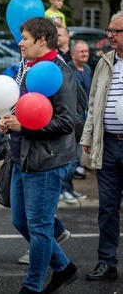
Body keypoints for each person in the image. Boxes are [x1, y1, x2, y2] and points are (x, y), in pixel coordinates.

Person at [0, 17, 79, 293]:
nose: (19, 43)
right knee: (21, 221)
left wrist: (25, 128)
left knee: (40, 227)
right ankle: (64, 268)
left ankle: (32, 287)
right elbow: (27, 110)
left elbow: (67, 122)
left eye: (25, 39)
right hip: (23, 158)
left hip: (46, 161)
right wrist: (9, 120)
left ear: (41, 40)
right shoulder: (29, 69)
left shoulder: (60, 72)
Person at [81, 11, 123, 282]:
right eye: (109, 30)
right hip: (107, 144)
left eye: (115, 32)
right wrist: (87, 137)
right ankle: (106, 262)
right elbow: (94, 103)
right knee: (107, 207)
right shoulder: (105, 62)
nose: (109, 35)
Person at [60, 40, 91, 203]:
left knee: (77, 159)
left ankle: (70, 188)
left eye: (86, 51)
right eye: (81, 52)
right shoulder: (68, 70)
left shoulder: (87, 69)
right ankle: (63, 189)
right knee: (70, 158)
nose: (85, 54)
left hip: (85, 121)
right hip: (72, 120)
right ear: (73, 54)